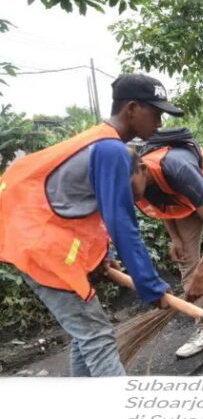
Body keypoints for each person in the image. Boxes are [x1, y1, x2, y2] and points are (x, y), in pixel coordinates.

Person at [0, 73, 176, 376]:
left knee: (87, 337)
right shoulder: (111, 149)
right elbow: (121, 223)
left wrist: (103, 256)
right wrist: (150, 285)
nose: (160, 122)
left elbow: (86, 209)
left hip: (36, 241)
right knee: (97, 338)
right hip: (41, 248)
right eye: (156, 113)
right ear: (132, 108)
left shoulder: (99, 142)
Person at [136, 128, 203, 358]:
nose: (128, 194)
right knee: (186, 260)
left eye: (130, 188)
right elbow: (162, 206)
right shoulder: (134, 183)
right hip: (182, 199)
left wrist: (202, 273)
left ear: (141, 170)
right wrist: (175, 238)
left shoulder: (177, 167)